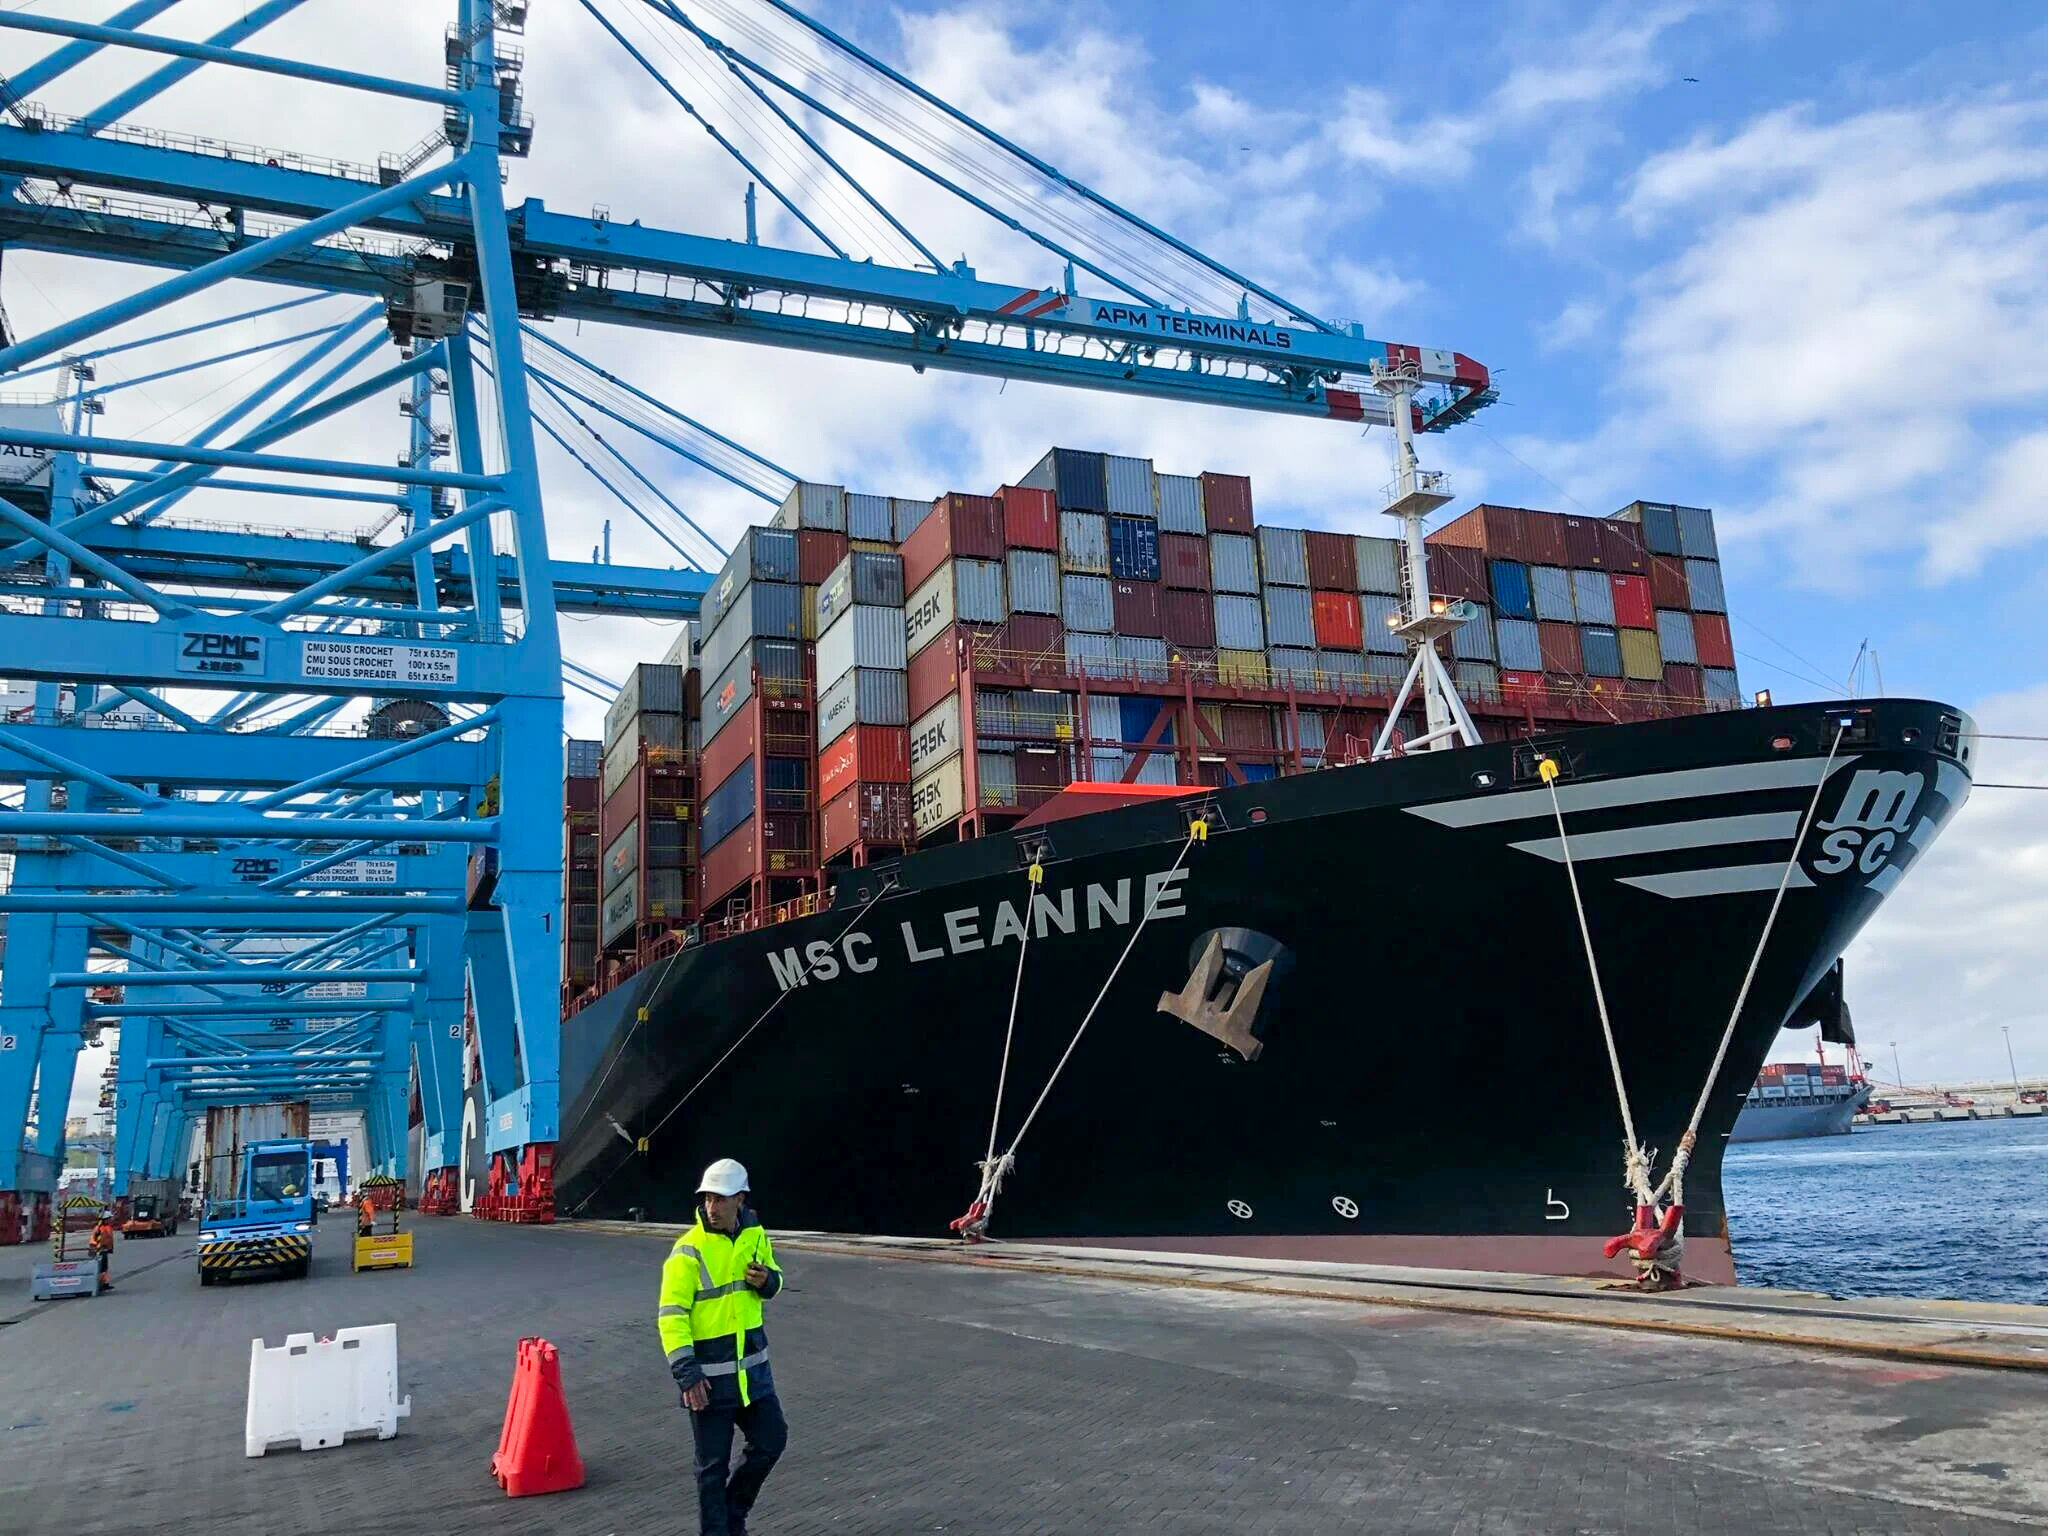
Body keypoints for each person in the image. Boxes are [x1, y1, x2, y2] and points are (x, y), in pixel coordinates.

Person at [657, 1159, 787, 1536]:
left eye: (720, 1199)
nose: (711, 1207)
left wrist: (768, 1281)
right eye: (708, 1198)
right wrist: (687, 1373)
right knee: (711, 1469)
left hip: (753, 1376)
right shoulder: (688, 1251)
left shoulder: (757, 1237)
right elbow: (671, 1316)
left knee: (772, 1441)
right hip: (709, 1382)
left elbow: (776, 1282)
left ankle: (733, 1516)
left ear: (741, 1200)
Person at [89, 1214, 114, 1292]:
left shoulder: (107, 1227)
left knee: (104, 1268)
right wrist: (96, 1248)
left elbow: (108, 1239)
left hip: (104, 1250)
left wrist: (109, 1248)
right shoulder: (99, 1228)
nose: (110, 1220)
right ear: (104, 1219)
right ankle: (100, 1284)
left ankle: (104, 1284)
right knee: (100, 1268)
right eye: (108, 1219)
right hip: (99, 1250)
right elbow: (93, 1239)